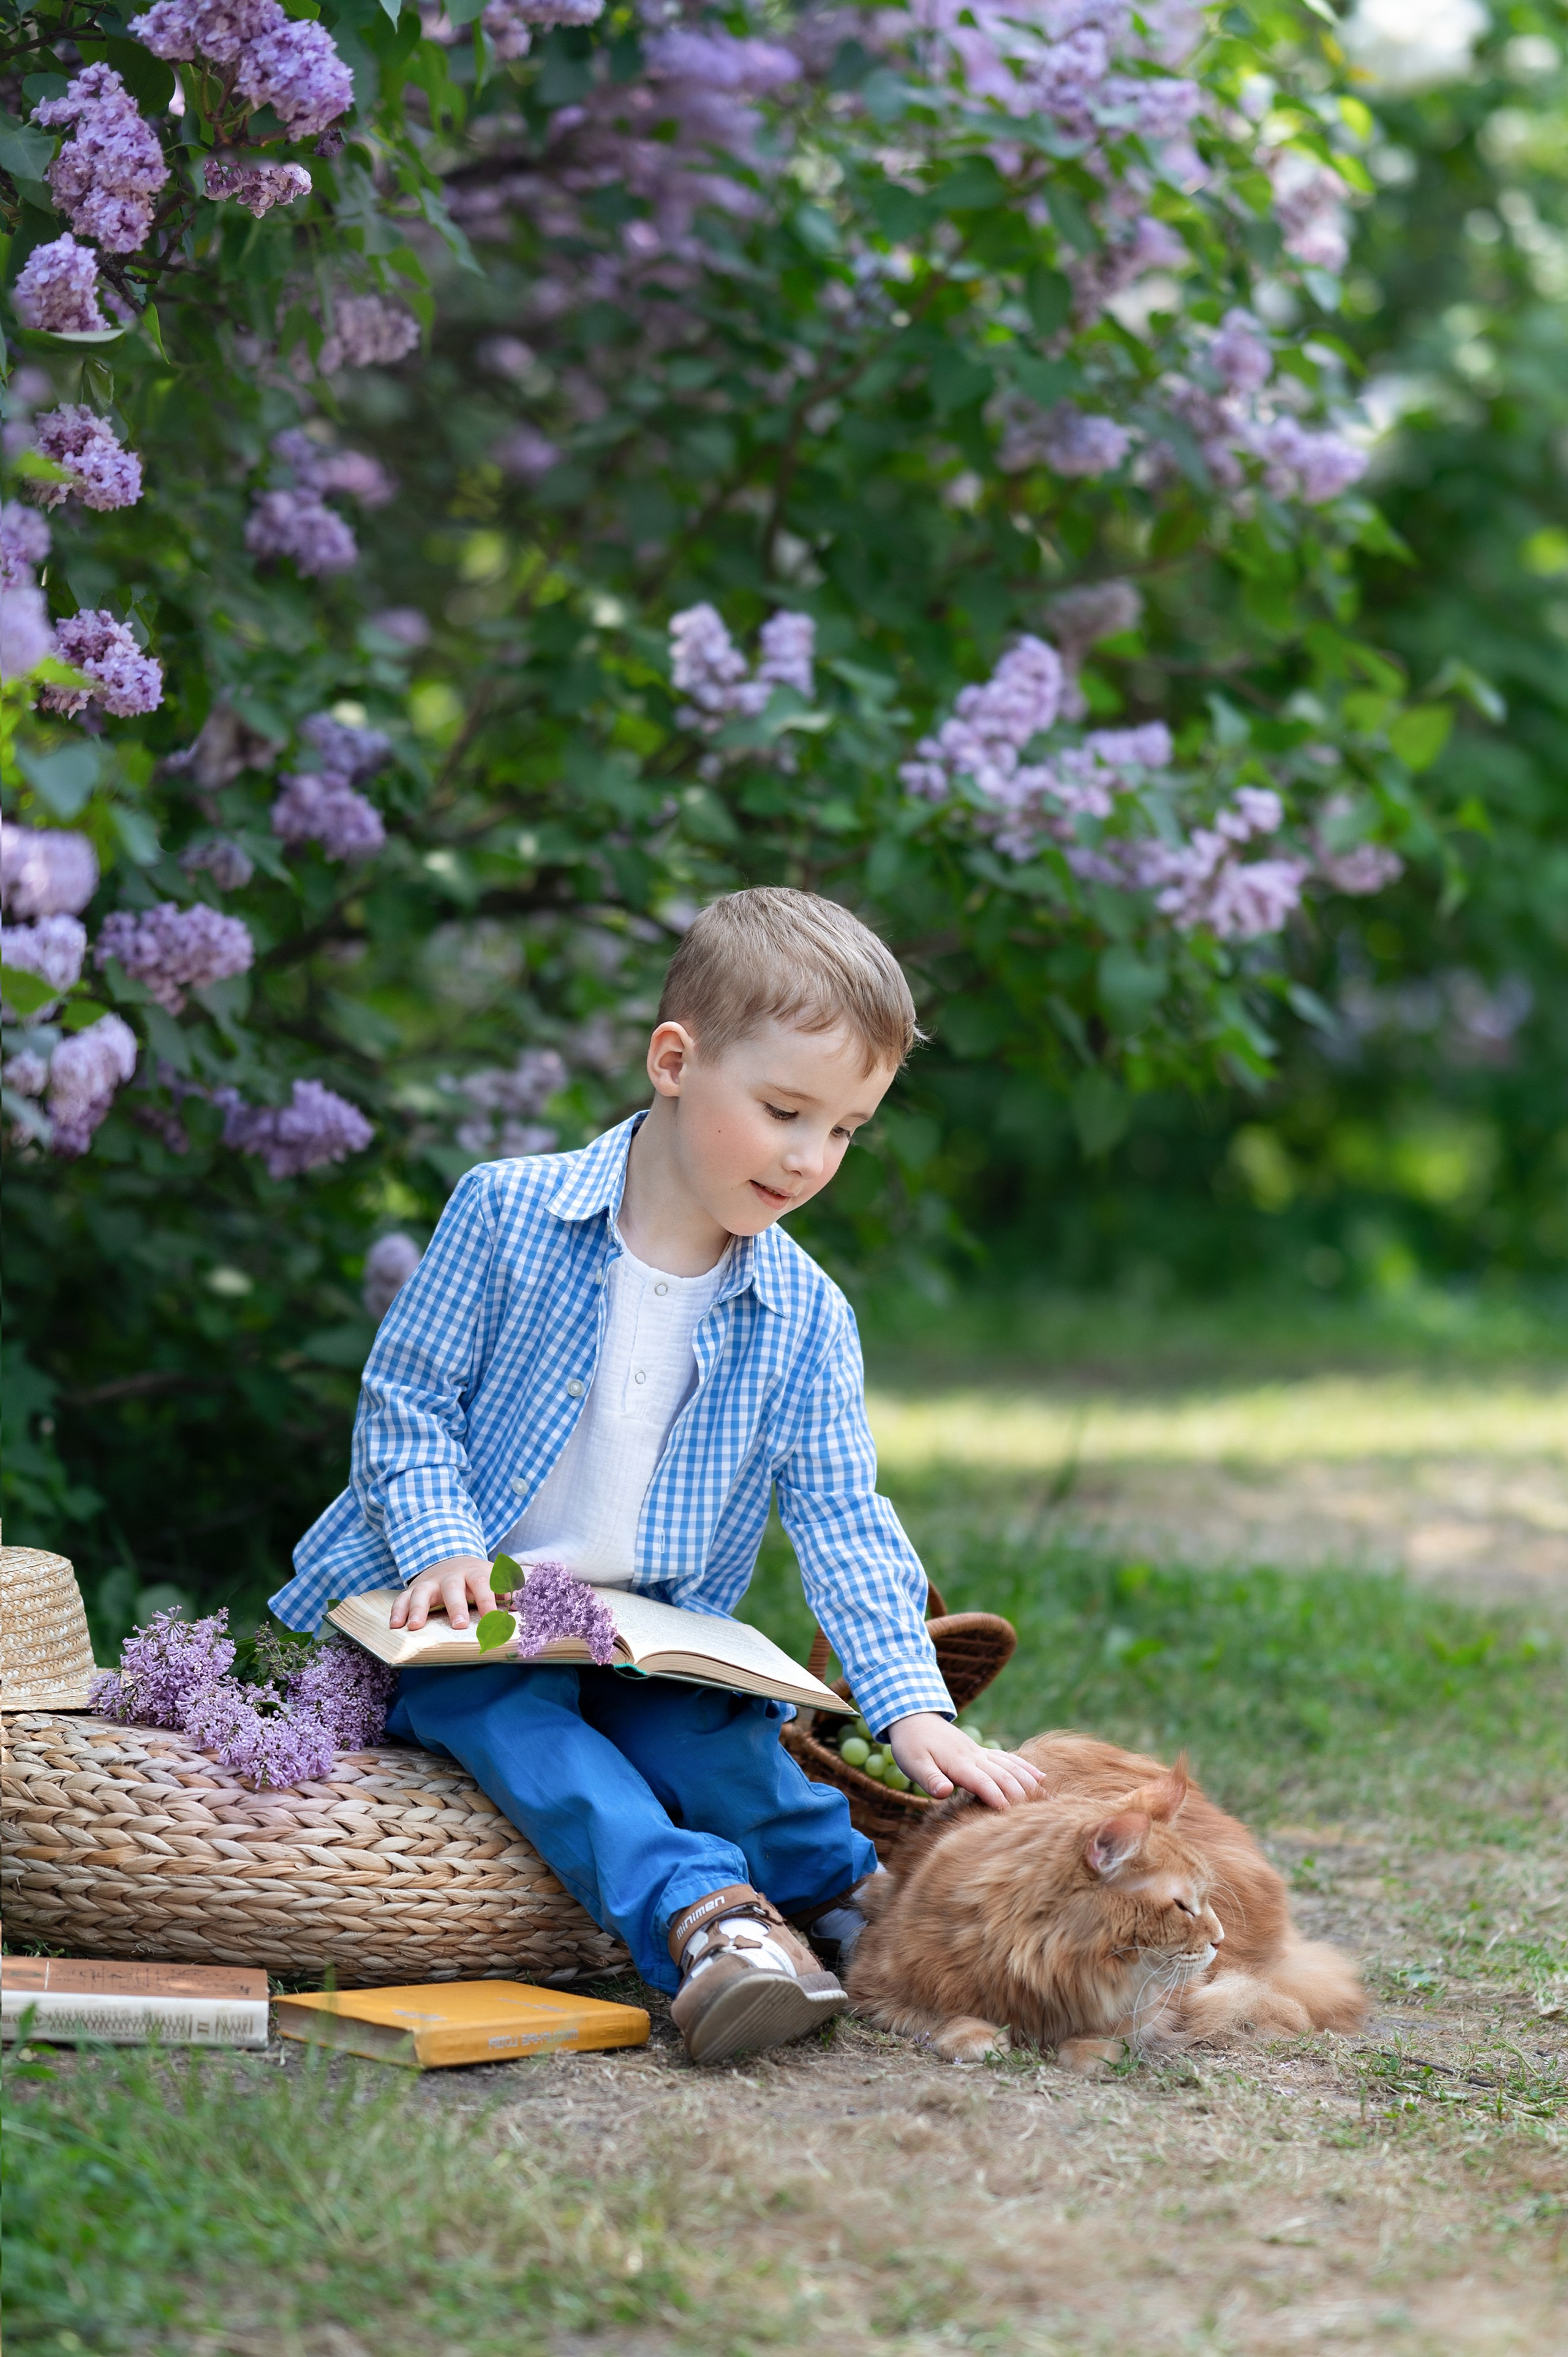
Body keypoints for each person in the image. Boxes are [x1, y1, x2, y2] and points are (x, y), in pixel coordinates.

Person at [271, 888, 1039, 2064]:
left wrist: (910, 1706)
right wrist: (441, 1544)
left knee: (721, 1747)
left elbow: (844, 1514)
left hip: (641, 1633)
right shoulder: (508, 1214)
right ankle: (712, 1928)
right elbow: (408, 1400)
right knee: (531, 1732)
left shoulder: (804, 1313)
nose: (808, 1157)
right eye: (785, 1110)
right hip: (467, 1616)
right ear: (675, 1061)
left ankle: (861, 1916)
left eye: (844, 1130)